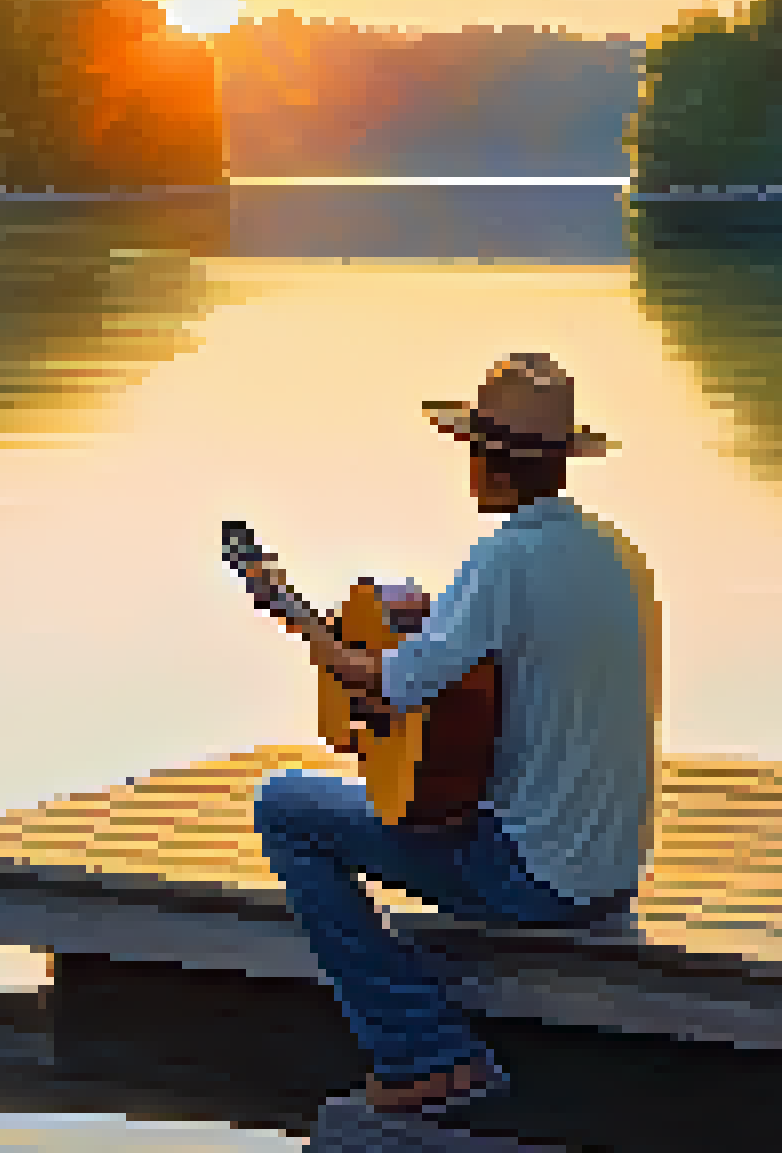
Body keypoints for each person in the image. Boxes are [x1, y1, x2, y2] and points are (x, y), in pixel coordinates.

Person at [240, 350, 662, 1117]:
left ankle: (425, 1049)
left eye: (470, 447)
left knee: (286, 809)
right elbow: (481, 691)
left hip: (532, 877)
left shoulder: (504, 561)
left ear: (484, 460)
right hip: (612, 874)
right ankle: (427, 1042)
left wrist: (298, 622)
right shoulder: (615, 554)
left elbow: (384, 681)